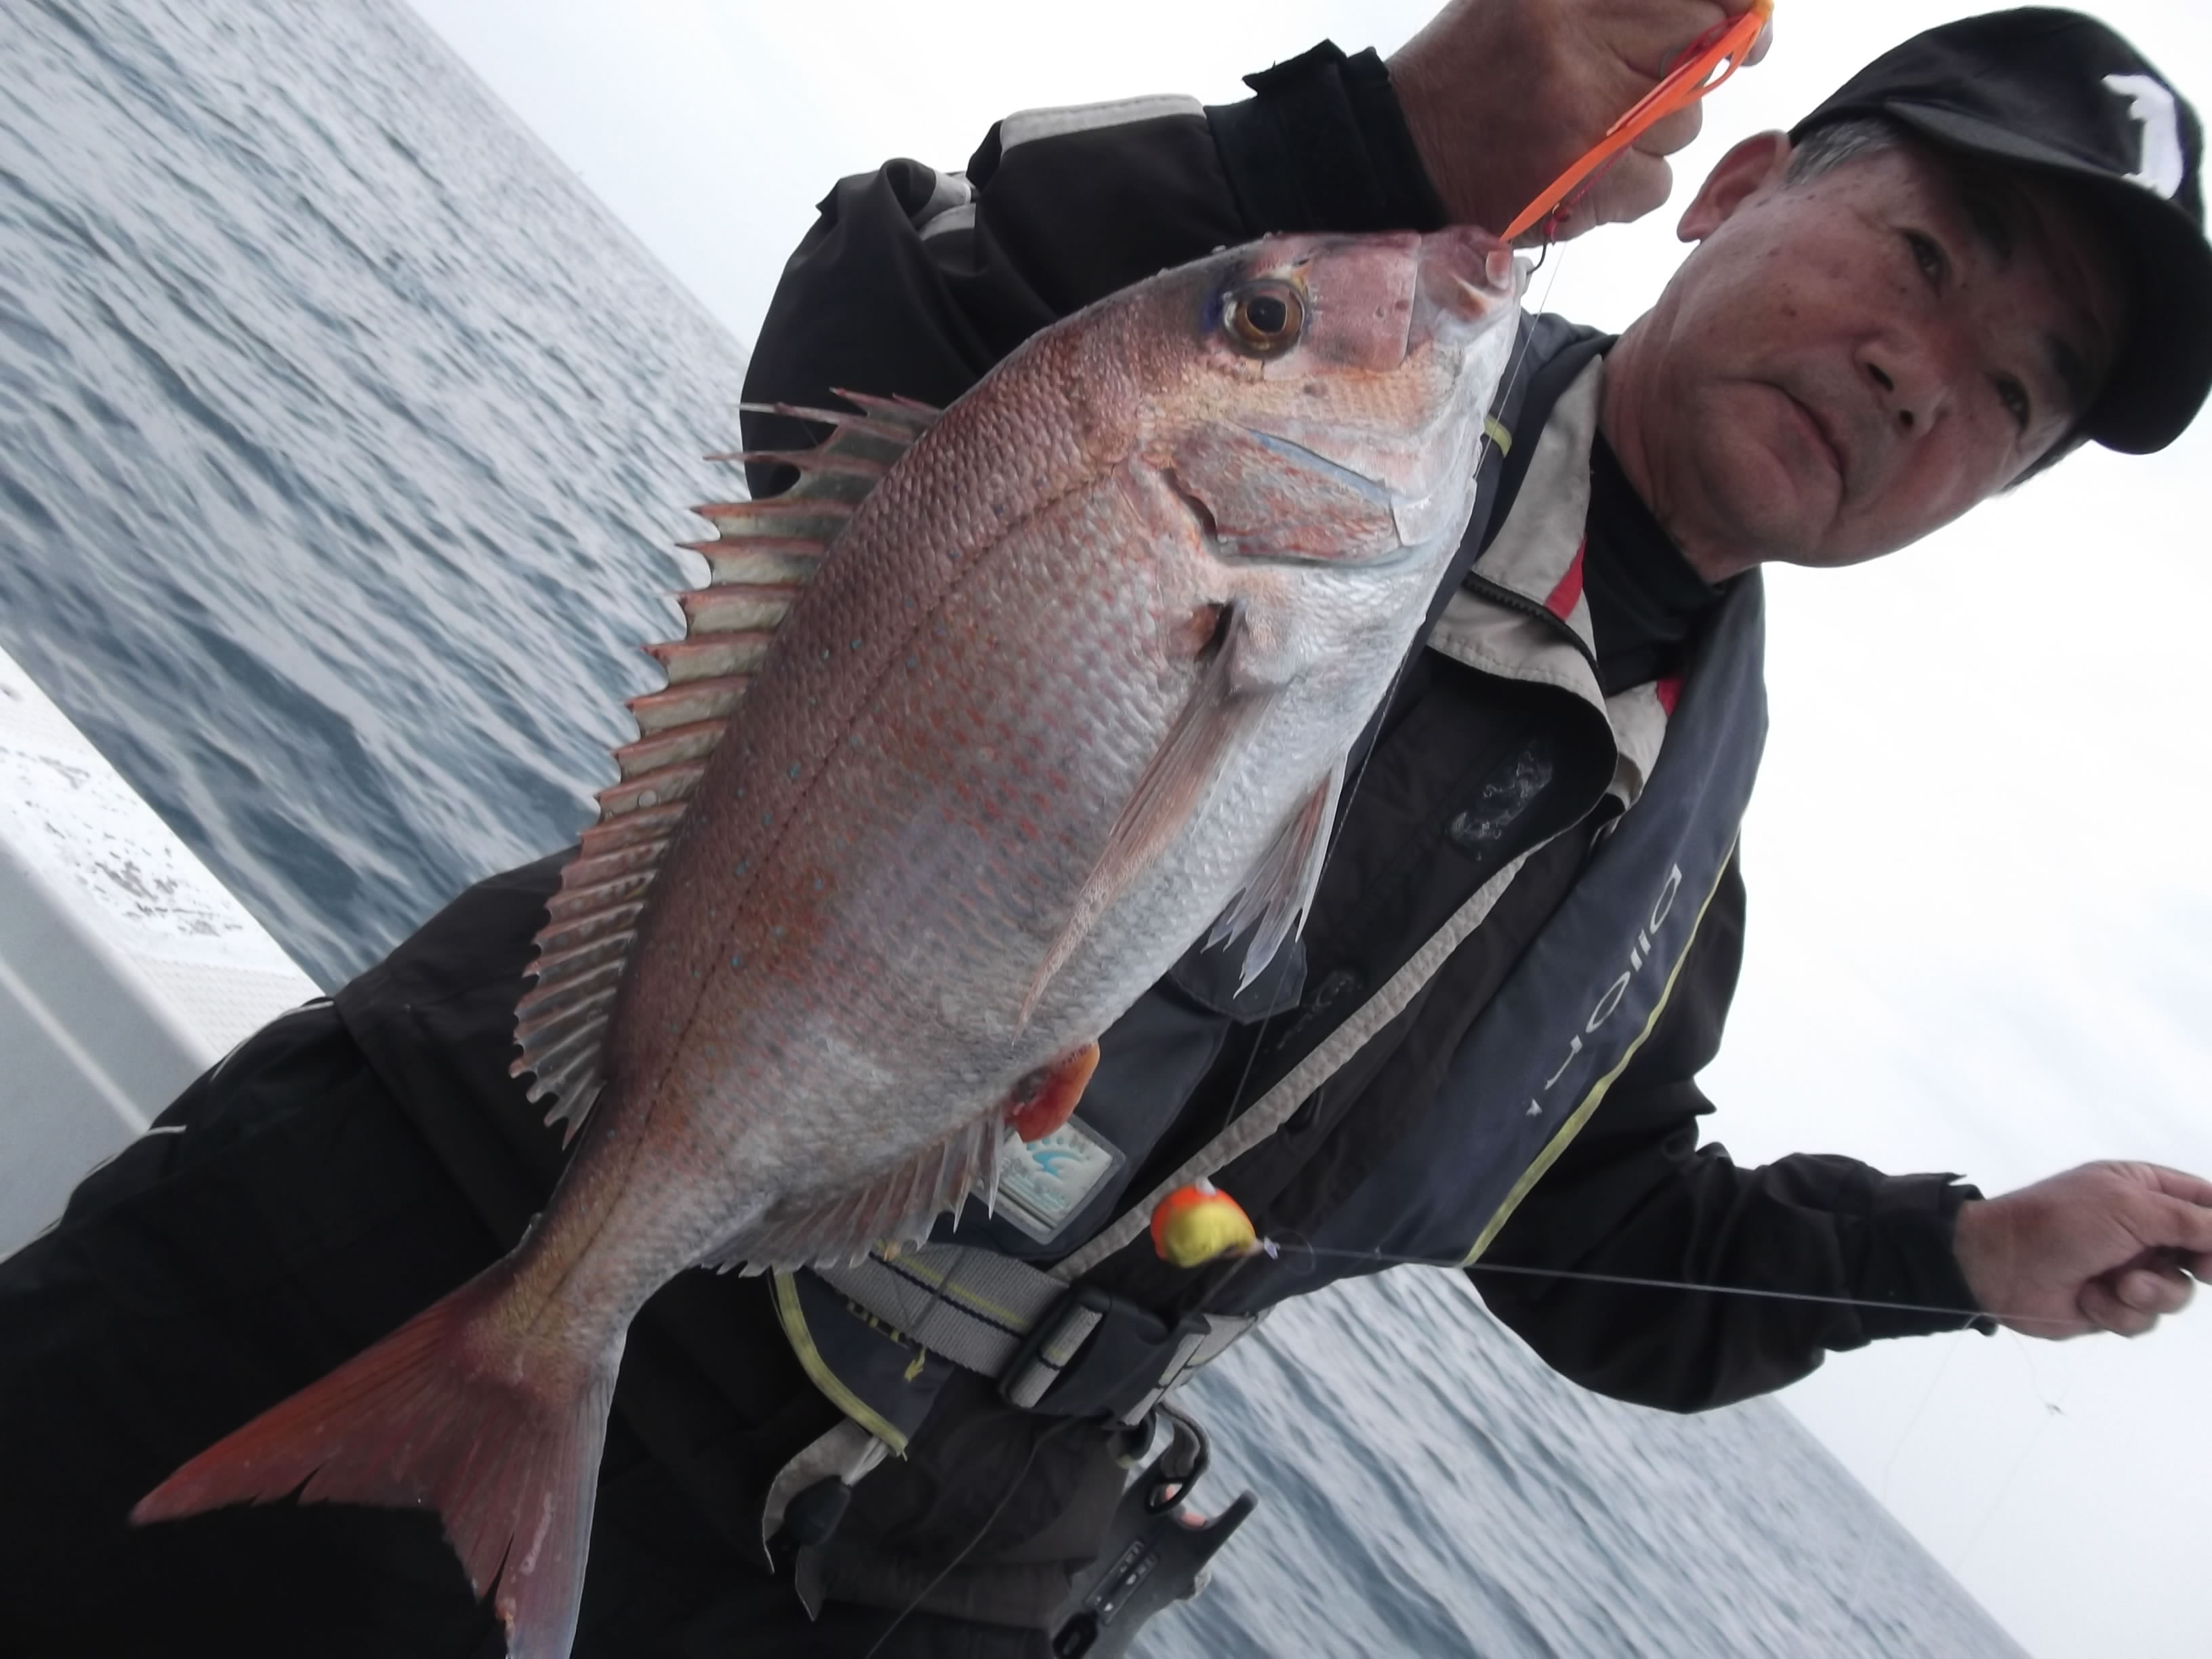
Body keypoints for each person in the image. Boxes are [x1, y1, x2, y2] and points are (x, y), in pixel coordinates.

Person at [4, 5, 2210, 1656]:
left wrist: (1953, 1258)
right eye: (1927, 252)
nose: (1933, 374)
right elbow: (871, 344)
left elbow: (1609, 1248)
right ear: (1739, 188)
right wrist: (1379, 135)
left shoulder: (1659, 888)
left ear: (1992, 497)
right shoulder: (1288, 337)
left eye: (2018, 396)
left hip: (850, 1587)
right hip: (439, 1210)